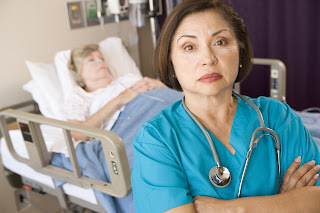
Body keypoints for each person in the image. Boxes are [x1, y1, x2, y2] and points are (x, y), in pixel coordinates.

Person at [131, 0, 320, 212]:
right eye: (189, 47)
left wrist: (230, 209)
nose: (208, 59)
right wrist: (285, 203)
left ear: (240, 52)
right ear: (171, 63)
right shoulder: (157, 138)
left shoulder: (277, 116)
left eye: (220, 42)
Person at [65, 43, 168, 141]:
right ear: (78, 73)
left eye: (101, 58)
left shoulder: (127, 79)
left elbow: (168, 94)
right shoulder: (80, 96)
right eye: (91, 60)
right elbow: (77, 135)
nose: (100, 62)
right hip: (137, 125)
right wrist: (119, 100)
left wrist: (160, 85)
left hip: (167, 108)